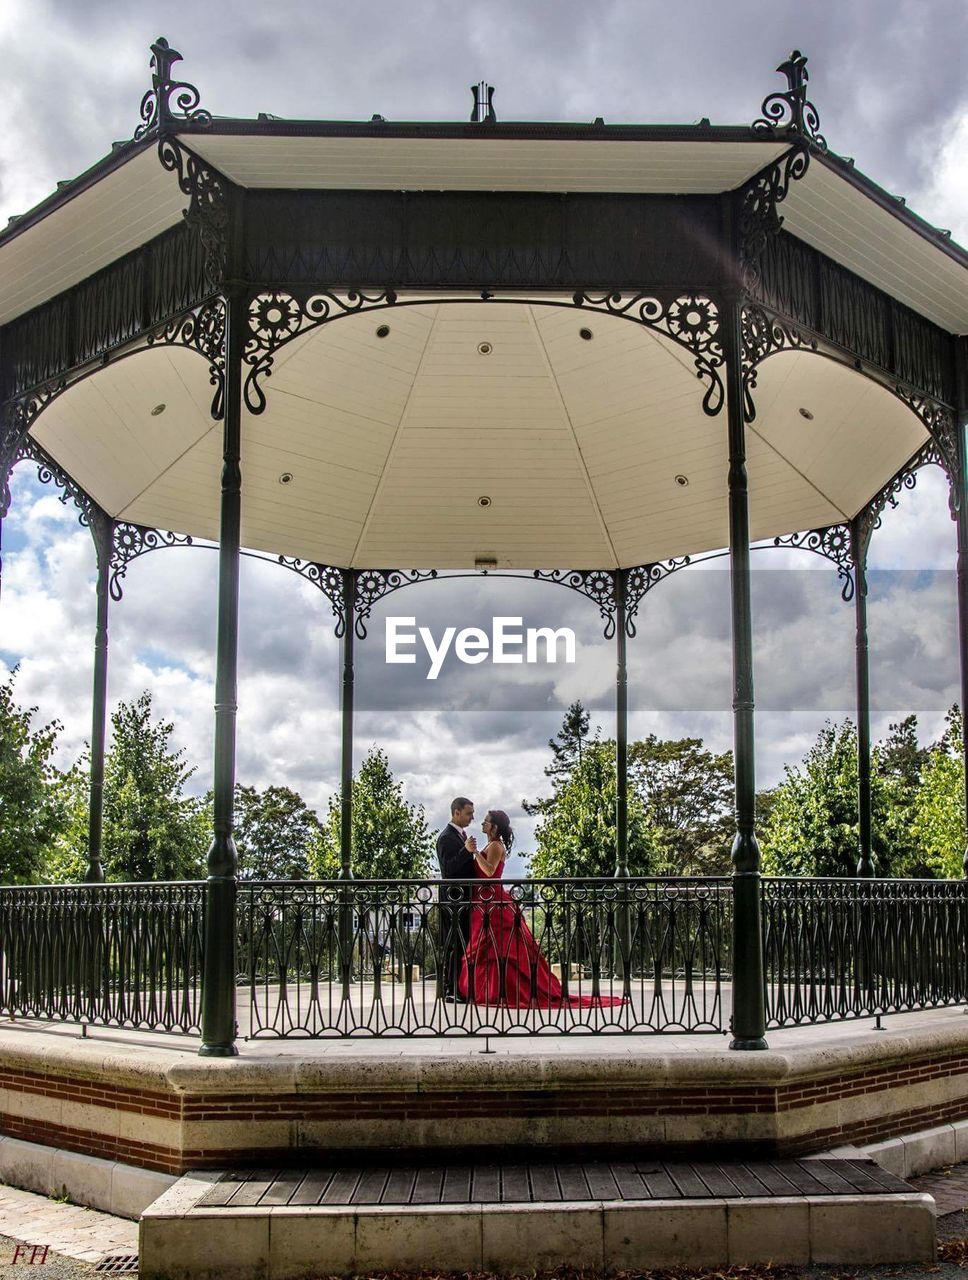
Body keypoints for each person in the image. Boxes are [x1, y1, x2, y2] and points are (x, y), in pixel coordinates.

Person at [458, 809, 626, 1008]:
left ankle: (500, 991)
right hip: (484, 901)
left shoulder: (495, 845)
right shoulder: (490, 844)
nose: (482, 824)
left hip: (493, 903)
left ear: (494, 827)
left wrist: (475, 852)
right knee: (489, 948)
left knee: (497, 948)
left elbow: (489, 871)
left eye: (486, 821)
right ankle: (489, 990)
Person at [435, 796, 476, 1002]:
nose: (472, 817)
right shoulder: (446, 837)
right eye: (469, 813)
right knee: (454, 944)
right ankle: (450, 990)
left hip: (462, 900)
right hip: (453, 900)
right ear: (456, 812)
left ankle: (457, 988)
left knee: (462, 943)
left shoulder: (459, 836)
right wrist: (465, 851)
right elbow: (449, 870)